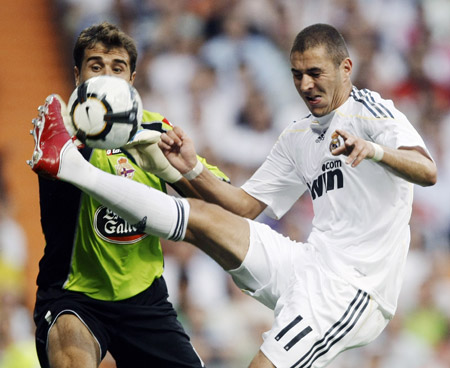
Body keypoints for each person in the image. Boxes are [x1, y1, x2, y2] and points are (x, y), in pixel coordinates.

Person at [28, 23, 437, 368]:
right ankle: (71, 168)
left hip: (352, 289)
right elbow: (245, 207)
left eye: (315, 73)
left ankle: (72, 169)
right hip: (306, 263)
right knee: (202, 219)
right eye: (296, 75)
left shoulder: (370, 112)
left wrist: (376, 151)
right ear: (77, 75)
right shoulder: (297, 135)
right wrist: (191, 168)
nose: (305, 85)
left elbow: (427, 170)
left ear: (346, 68)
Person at [31, 22, 229, 368]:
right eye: (96, 66)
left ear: (132, 79)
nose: (107, 76)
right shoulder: (61, 133)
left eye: (117, 67)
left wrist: (181, 170)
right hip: (74, 297)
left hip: (144, 300)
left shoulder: (156, 131)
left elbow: (225, 207)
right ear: (78, 76)